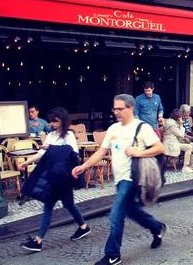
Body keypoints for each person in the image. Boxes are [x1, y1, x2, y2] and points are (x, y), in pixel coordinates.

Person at [72, 94, 167, 265]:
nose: (116, 112)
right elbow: (102, 152)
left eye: (120, 108)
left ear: (131, 108)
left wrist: (139, 152)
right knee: (131, 211)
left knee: (116, 216)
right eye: (114, 108)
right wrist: (84, 166)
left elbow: (160, 148)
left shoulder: (142, 127)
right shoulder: (113, 129)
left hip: (132, 179)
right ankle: (157, 227)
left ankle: (112, 254)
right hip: (119, 179)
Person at [20, 107, 90, 252]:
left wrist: (50, 147)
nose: (51, 124)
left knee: (48, 206)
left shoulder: (69, 135)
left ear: (63, 121)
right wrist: (26, 162)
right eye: (51, 121)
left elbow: (72, 153)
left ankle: (38, 240)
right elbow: (41, 153)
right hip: (53, 175)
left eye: (55, 121)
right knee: (69, 204)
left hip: (64, 177)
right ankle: (83, 227)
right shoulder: (51, 135)